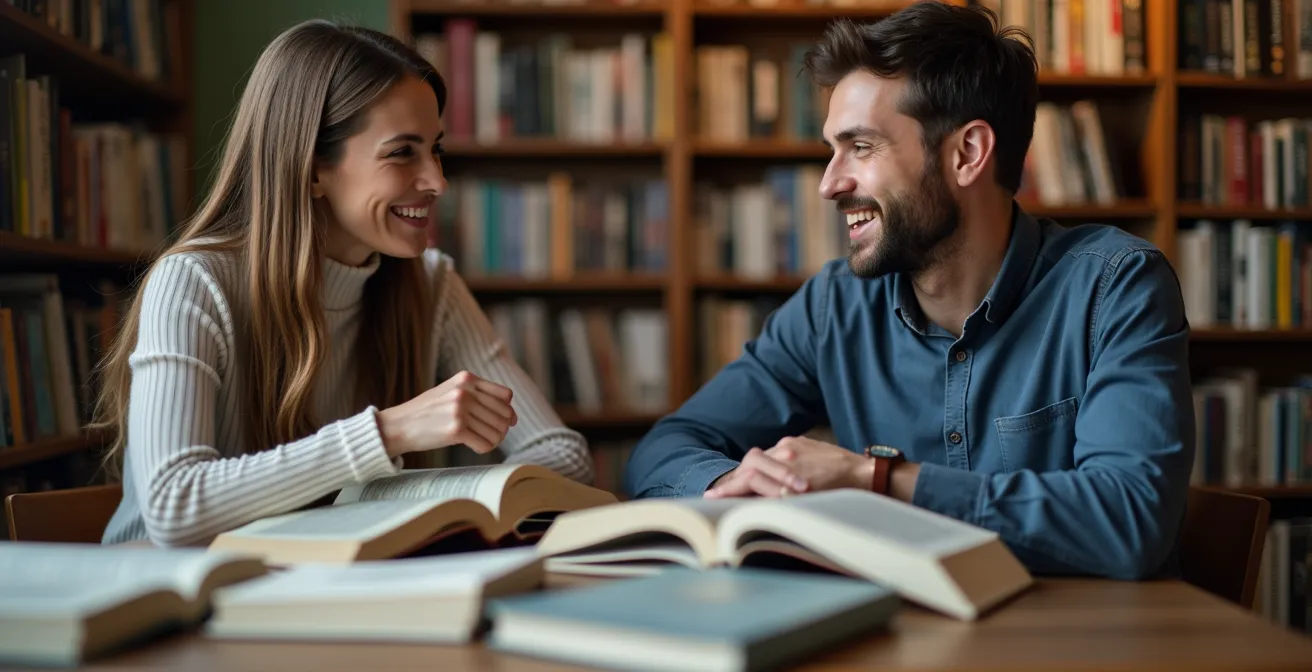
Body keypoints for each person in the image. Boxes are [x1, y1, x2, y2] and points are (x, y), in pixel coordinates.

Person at [623, 3, 1194, 581]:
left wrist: (876, 480)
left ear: (966, 154)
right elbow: (664, 449)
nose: (829, 184)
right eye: (832, 149)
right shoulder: (833, 309)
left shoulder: (1115, 286)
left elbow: (1131, 521)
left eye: (861, 147)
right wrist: (732, 482)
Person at [95, 20, 593, 547]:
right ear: (311, 169)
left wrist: (456, 507)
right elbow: (174, 507)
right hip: (158, 586)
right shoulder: (193, 282)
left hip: (312, 580)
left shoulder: (432, 284)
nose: (437, 181)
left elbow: (563, 453)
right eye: (402, 152)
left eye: (435, 149)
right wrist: (390, 432)